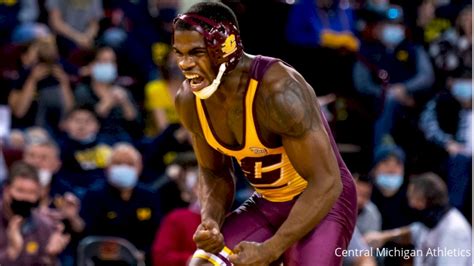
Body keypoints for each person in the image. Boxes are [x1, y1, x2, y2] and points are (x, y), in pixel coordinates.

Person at [172, 2, 357, 265]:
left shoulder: (278, 91)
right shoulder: (189, 100)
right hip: (269, 201)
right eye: (179, 53)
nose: (185, 64)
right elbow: (215, 172)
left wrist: (272, 249)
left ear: (225, 48)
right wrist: (211, 220)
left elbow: (327, 183)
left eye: (196, 53)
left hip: (323, 201)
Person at [365, 172, 472, 266]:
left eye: (413, 199)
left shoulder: (454, 230)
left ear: (425, 200)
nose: (410, 204)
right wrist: (384, 237)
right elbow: (412, 232)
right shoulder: (429, 222)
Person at [79, 143, 162, 265]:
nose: (124, 168)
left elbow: (157, 232)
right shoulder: (94, 195)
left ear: (139, 167)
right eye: (118, 163)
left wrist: (144, 253)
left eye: (129, 164)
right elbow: (88, 232)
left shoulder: (149, 196)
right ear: (107, 168)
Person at [0, 161, 70, 265]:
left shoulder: (45, 226)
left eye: (31, 192)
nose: (25, 198)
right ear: (6, 190)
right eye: (20, 190)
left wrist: (50, 256)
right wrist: (12, 251)